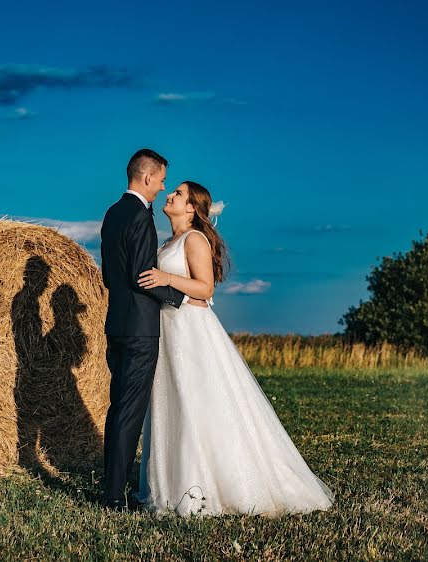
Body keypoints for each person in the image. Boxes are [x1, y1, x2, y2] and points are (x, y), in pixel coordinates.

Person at [134, 181, 336, 516]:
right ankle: (172, 487)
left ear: (192, 209)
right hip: (168, 331)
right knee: (173, 403)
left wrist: (166, 278)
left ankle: (208, 488)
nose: (170, 194)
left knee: (196, 404)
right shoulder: (169, 241)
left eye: (179, 194)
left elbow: (205, 288)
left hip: (191, 331)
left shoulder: (194, 239)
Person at [99, 148, 186, 510]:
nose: (163, 186)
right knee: (130, 412)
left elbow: (109, 274)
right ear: (147, 177)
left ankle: (111, 488)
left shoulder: (112, 213)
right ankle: (114, 497)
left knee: (117, 407)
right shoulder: (139, 217)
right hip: (139, 329)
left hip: (117, 323)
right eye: (162, 179)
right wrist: (178, 294)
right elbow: (141, 276)